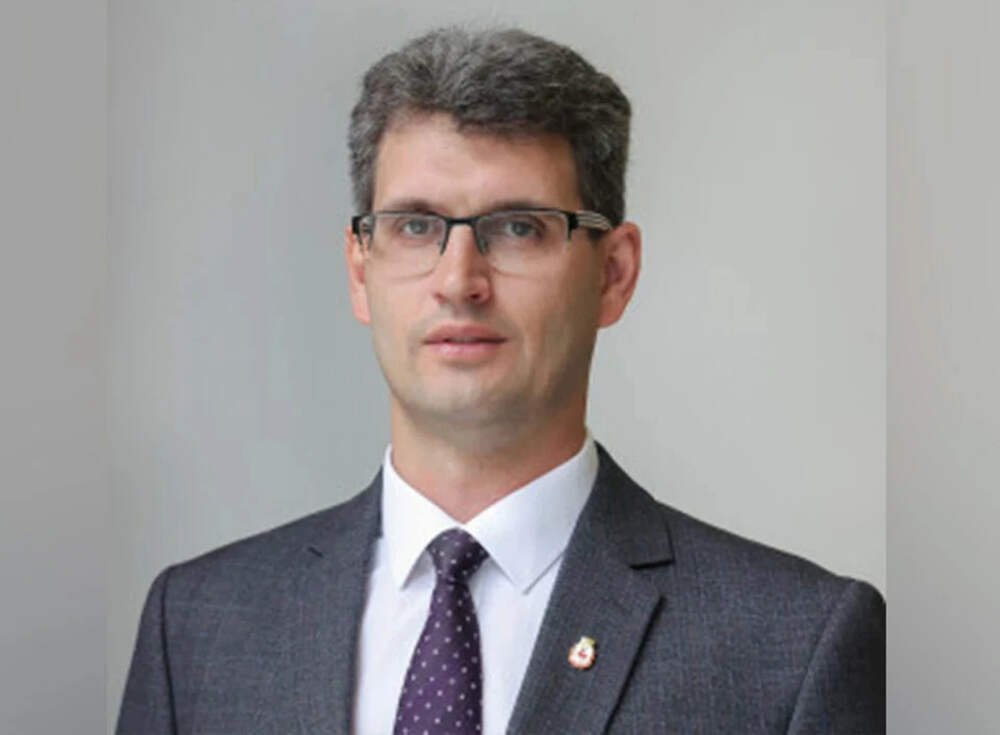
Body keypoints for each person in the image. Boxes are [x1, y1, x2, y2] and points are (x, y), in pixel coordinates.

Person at [116, 26, 885, 735]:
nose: (459, 280)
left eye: (518, 227)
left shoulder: (792, 645)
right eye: (415, 225)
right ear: (359, 269)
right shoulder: (197, 627)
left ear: (613, 274)